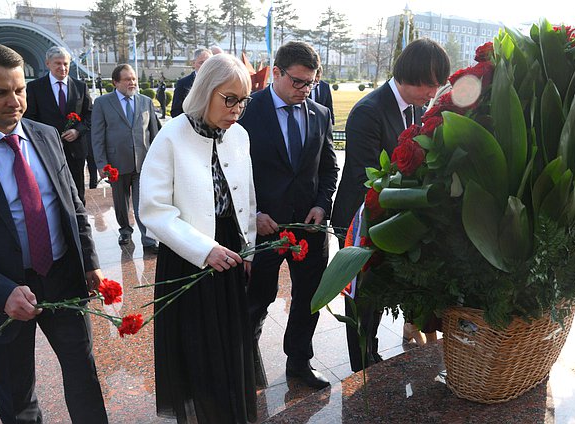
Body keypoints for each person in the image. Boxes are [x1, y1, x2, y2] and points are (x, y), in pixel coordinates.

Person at [0, 40, 107, 423]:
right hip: (1, 293)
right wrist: (0, 291)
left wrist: (90, 262)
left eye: (19, 90)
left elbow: (72, 205)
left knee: (84, 377)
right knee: (18, 398)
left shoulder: (45, 135)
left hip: (63, 276)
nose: (14, 101)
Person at [139, 53, 257, 423]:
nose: (237, 109)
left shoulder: (239, 136)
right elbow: (154, 210)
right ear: (206, 91)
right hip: (189, 254)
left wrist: (249, 247)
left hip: (231, 251)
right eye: (230, 99)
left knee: (231, 345)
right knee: (198, 348)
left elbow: (247, 196)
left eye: (243, 100)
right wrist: (204, 249)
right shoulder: (170, 135)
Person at [332, 38, 450, 372]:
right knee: (361, 301)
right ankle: (361, 369)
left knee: (379, 296)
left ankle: (372, 354)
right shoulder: (368, 112)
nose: (431, 93)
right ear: (407, 76)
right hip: (361, 222)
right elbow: (365, 177)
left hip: (389, 221)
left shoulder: (413, 108)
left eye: (436, 85)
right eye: (428, 84)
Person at [239, 41, 339, 390]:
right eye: (298, 81)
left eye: (310, 83)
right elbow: (231, 173)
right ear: (276, 73)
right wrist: (253, 215)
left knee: (308, 298)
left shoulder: (320, 113)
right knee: (258, 300)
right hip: (265, 229)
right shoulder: (247, 113)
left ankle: (299, 361)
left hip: (309, 229)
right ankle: (245, 365)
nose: (305, 90)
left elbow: (328, 168)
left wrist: (322, 205)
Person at [92, 64, 159, 251]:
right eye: (127, 79)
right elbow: (97, 135)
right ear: (116, 82)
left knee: (143, 203)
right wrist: (102, 164)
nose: (132, 83)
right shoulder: (103, 103)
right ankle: (125, 230)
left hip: (143, 163)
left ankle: (149, 240)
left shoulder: (146, 101)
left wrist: (158, 161)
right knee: (121, 202)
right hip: (116, 163)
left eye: (134, 79)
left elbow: (154, 133)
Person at [24, 46, 93, 204]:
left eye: (66, 63)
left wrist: (77, 130)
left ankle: (79, 223)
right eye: (57, 63)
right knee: (52, 190)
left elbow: (89, 114)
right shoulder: (35, 88)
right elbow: (29, 118)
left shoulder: (80, 87)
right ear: (48, 63)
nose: (62, 67)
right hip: (47, 149)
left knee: (78, 191)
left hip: (75, 148)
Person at [171, 48, 212, 117]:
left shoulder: (217, 82)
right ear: (193, 63)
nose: (205, 66)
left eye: (208, 63)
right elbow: (175, 111)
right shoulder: (183, 83)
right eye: (201, 63)